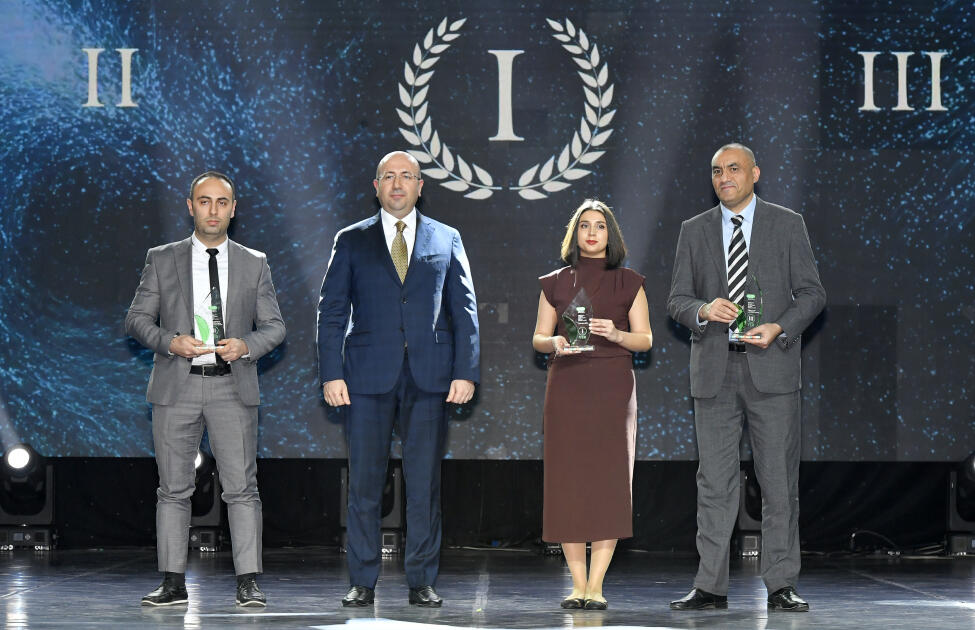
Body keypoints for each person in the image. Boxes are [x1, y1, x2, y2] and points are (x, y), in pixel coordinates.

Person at [317, 150, 480, 608]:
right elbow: (331, 312)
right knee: (365, 485)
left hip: (431, 377)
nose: (397, 183)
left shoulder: (446, 237)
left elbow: (465, 310)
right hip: (365, 377)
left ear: (420, 186)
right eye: (388, 176)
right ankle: (362, 580)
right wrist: (331, 374)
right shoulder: (351, 239)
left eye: (406, 176)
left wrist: (465, 371)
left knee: (424, 484)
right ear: (376, 186)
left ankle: (421, 580)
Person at [667, 144, 825, 612]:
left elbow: (812, 294)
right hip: (714, 372)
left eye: (733, 169)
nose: (725, 177)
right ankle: (710, 586)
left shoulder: (787, 223)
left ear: (754, 173)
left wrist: (779, 327)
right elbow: (677, 300)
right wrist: (702, 309)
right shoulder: (694, 229)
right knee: (714, 484)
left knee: (778, 483)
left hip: (771, 368)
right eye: (717, 171)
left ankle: (781, 584)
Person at [125, 171, 286, 607]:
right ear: (190, 206)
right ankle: (173, 583)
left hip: (232, 387)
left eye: (221, 202)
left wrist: (245, 346)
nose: (213, 210)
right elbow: (136, 319)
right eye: (204, 201)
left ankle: (248, 581)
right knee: (173, 490)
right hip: (176, 388)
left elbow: (275, 327)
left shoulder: (254, 262)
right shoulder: (162, 258)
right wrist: (170, 342)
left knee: (242, 489)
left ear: (233, 209)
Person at [531, 199, 652, 610]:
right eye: (585, 225)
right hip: (567, 385)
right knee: (567, 483)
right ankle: (577, 584)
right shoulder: (554, 282)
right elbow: (538, 338)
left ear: (610, 234)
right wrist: (554, 342)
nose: (592, 232)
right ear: (575, 233)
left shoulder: (630, 282)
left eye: (600, 225)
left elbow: (645, 339)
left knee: (608, 484)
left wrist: (617, 334)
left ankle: (596, 585)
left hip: (612, 388)